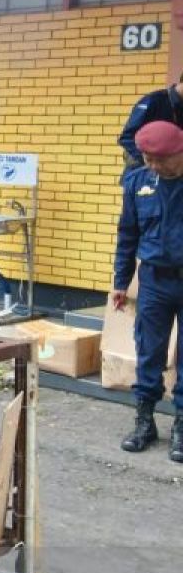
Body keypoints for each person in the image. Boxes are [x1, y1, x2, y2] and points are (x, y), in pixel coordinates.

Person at [112, 120, 183, 462]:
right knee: (149, 351)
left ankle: (181, 426)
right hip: (154, 279)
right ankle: (144, 421)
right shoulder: (139, 182)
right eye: (147, 158)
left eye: (160, 159)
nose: (154, 165)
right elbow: (127, 233)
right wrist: (120, 281)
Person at [117, 73, 183, 171]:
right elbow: (127, 138)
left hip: (171, 176)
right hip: (142, 174)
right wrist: (152, 162)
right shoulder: (154, 101)